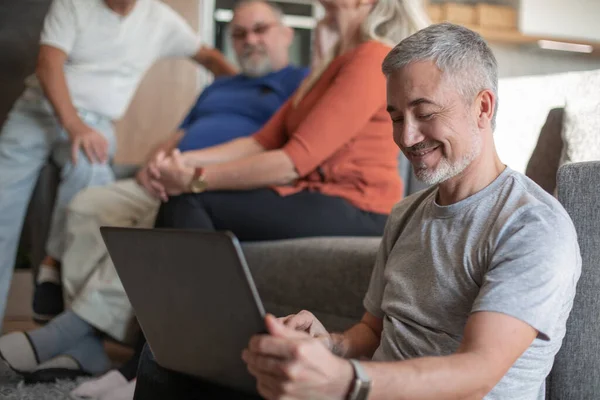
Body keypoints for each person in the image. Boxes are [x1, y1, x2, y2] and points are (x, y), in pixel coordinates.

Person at [134, 23, 582, 400]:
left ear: (482, 107)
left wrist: (344, 380)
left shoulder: (532, 225)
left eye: (424, 113)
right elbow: (373, 331)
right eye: (395, 116)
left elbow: (479, 370)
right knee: (173, 357)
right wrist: (329, 344)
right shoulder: (408, 214)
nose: (407, 137)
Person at [0, 0, 306, 396]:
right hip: (167, 174)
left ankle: (71, 329)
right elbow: (179, 134)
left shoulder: (299, 83)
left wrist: (191, 171)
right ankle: (88, 345)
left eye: (260, 30)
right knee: (89, 205)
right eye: (240, 34)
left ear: (287, 34)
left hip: (213, 185)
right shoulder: (220, 87)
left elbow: (286, 148)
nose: (250, 40)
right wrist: (153, 162)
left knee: (154, 220)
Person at [0, 0, 238, 329]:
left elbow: (209, 57)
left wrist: (246, 93)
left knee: (91, 175)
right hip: (37, 112)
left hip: (97, 124)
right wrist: (75, 126)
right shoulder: (72, 5)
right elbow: (48, 65)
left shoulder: (160, 19)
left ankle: (52, 269)